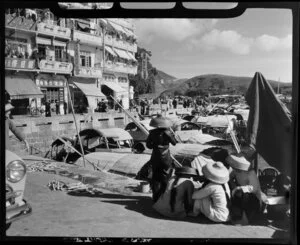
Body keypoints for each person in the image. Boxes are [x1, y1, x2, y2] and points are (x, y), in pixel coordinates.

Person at [225, 154, 265, 225]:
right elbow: (229, 178)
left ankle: (245, 217)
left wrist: (240, 188)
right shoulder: (236, 171)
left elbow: (254, 188)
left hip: (253, 197)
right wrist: (234, 186)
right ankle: (235, 213)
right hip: (239, 193)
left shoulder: (251, 173)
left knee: (245, 195)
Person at [146, 114, 177, 202]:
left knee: (155, 177)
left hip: (155, 156)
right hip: (165, 157)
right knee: (165, 177)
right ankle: (164, 197)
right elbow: (174, 143)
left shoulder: (152, 132)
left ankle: (155, 197)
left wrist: (156, 145)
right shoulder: (168, 132)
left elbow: (148, 146)